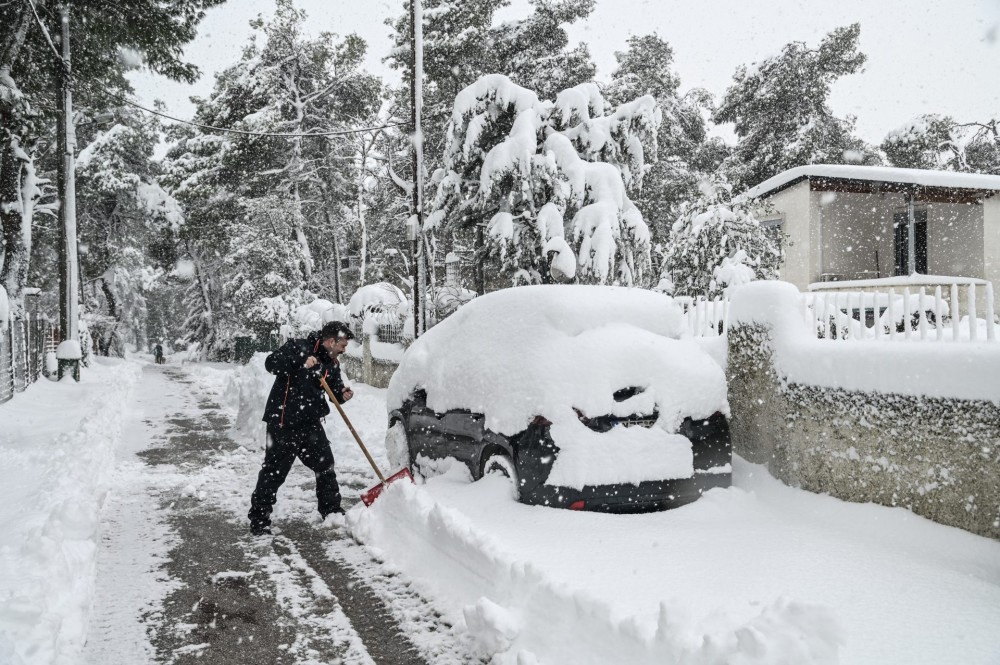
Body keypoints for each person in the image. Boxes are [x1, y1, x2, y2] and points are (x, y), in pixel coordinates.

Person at [248, 321, 355, 536]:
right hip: (283, 422)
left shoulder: (332, 362)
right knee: (274, 471)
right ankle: (259, 519)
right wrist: (300, 361)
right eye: (342, 345)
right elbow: (271, 363)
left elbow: (333, 388)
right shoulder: (298, 346)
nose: (344, 349)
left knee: (325, 464)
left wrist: (341, 393)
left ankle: (331, 509)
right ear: (331, 341)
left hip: (310, 423)